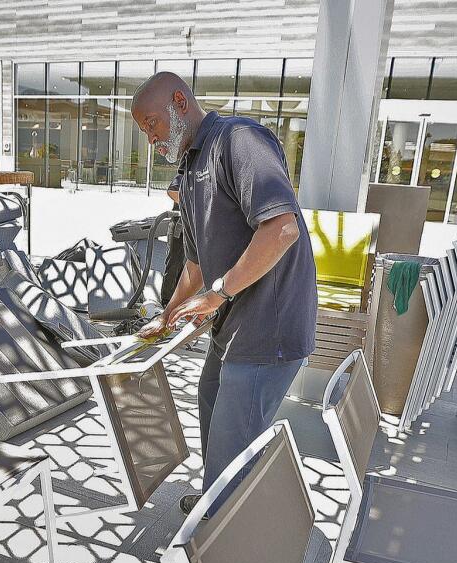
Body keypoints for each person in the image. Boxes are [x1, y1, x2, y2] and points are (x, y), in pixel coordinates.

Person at [131, 71, 317, 514]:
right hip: (235, 324)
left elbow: (282, 228)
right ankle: (219, 494)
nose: (150, 137)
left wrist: (218, 294)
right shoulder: (192, 167)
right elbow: (195, 266)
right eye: (143, 131)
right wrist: (168, 313)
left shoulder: (239, 140)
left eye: (152, 123)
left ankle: (223, 533)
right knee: (210, 395)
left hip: (268, 327)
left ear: (179, 101)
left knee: (236, 436)